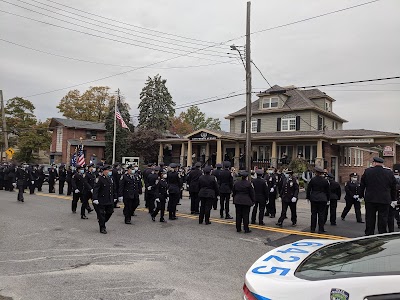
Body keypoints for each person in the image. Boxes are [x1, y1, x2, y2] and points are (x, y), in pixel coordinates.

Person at [360, 157, 397, 235]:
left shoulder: (368, 171)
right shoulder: (389, 172)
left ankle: (369, 234)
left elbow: (362, 185)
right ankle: (382, 234)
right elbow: (393, 187)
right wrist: (394, 199)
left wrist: (361, 196)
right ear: (382, 164)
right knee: (383, 218)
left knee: (370, 218)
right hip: (384, 199)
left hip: (370, 199)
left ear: (374, 163)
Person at [93, 165, 116, 234]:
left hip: (109, 199)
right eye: (108, 170)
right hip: (101, 199)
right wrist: (95, 198)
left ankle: (102, 221)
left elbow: (112, 189)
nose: (110, 172)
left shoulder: (110, 178)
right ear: (104, 171)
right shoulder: (99, 179)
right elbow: (96, 189)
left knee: (110, 211)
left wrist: (115, 196)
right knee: (101, 214)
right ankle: (102, 227)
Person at [306, 166, 330, 233]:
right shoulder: (325, 181)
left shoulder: (313, 180)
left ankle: (312, 228)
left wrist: (308, 197)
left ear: (316, 173)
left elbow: (309, 189)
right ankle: (321, 229)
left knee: (313, 214)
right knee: (321, 214)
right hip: (322, 198)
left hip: (314, 198)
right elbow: (328, 191)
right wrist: (328, 199)